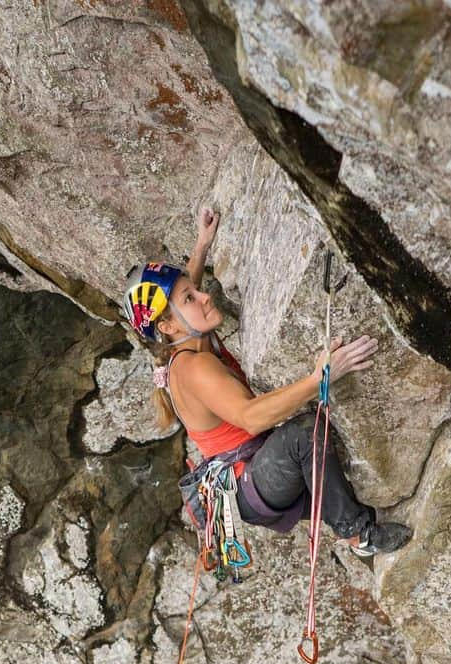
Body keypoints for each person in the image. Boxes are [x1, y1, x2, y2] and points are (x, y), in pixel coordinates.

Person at [123, 206, 412, 557]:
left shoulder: (184, 338)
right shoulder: (194, 369)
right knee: (305, 434)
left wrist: (201, 246)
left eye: (193, 290)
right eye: (190, 298)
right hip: (251, 485)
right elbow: (251, 417)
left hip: (255, 471)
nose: (204, 295)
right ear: (169, 326)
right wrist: (321, 377)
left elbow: (187, 289)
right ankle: (358, 536)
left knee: (324, 471)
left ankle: (343, 513)